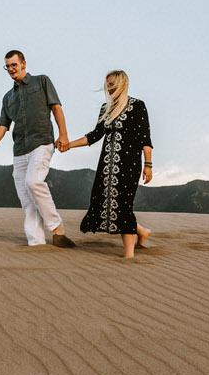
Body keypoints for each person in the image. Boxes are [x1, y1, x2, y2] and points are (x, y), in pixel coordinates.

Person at [0, 50, 76, 248]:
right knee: (26, 199)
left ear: (23, 63)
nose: (11, 69)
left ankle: (57, 228)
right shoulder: (8, 97)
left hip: (41, 142)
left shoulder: (41, 81)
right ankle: (36, 244)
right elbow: (2, 126)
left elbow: (56, 107)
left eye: (14, 65)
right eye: (7, 66)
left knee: (33, 182)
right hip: (19, 150)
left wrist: (63, 134)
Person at [61, 70, 152, 258]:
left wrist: (148, 165)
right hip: (106, 166)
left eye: (112, 84)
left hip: (129, 165)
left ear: (123, 84)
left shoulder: (137, 106)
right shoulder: (106, 108)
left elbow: (145, 139)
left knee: (124, 205)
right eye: (107, 85)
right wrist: (69, 145)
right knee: (109, 202)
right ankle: (142, 231)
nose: (109, 89)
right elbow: (95, 135)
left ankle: (129, 255)